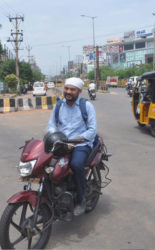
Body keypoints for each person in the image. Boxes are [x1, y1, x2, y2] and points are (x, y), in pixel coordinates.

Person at [48, 77, 97, 216]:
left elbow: (92, 130)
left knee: (76, 164)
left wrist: (75, 141)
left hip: (81, 144)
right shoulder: (59, 106)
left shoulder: (86, 106)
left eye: (72, 89)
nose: (68, 92)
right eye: (67, 88)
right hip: (62, 143)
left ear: (79, 91)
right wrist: (54, 136)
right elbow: (52, 125)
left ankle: (81, 200)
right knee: (48, 166)